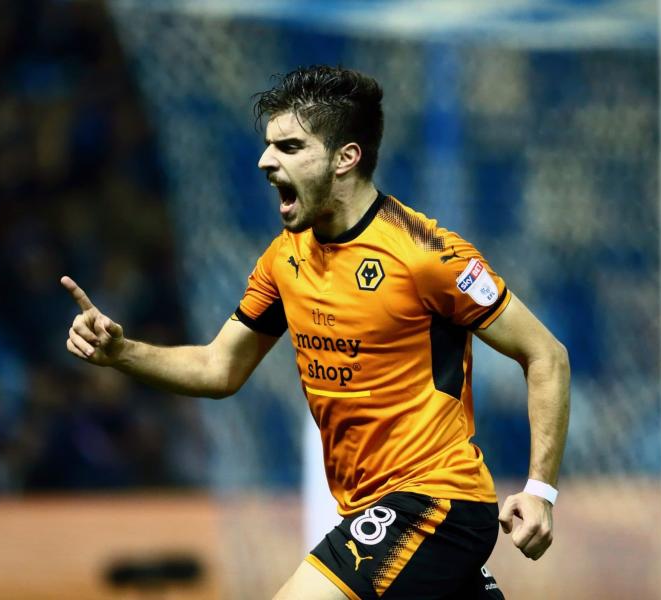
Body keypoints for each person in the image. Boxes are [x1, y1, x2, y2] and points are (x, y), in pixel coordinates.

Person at [62, 65, 570, 600]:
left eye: (289, 146)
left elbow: (546, 354)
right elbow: (219, 368)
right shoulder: (284, 259)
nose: (265, 161)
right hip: (372, 507)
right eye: (267, 146)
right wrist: (122, 352)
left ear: (345, 158)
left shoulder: (426, 254)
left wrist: (540, 490)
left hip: (433, 503)